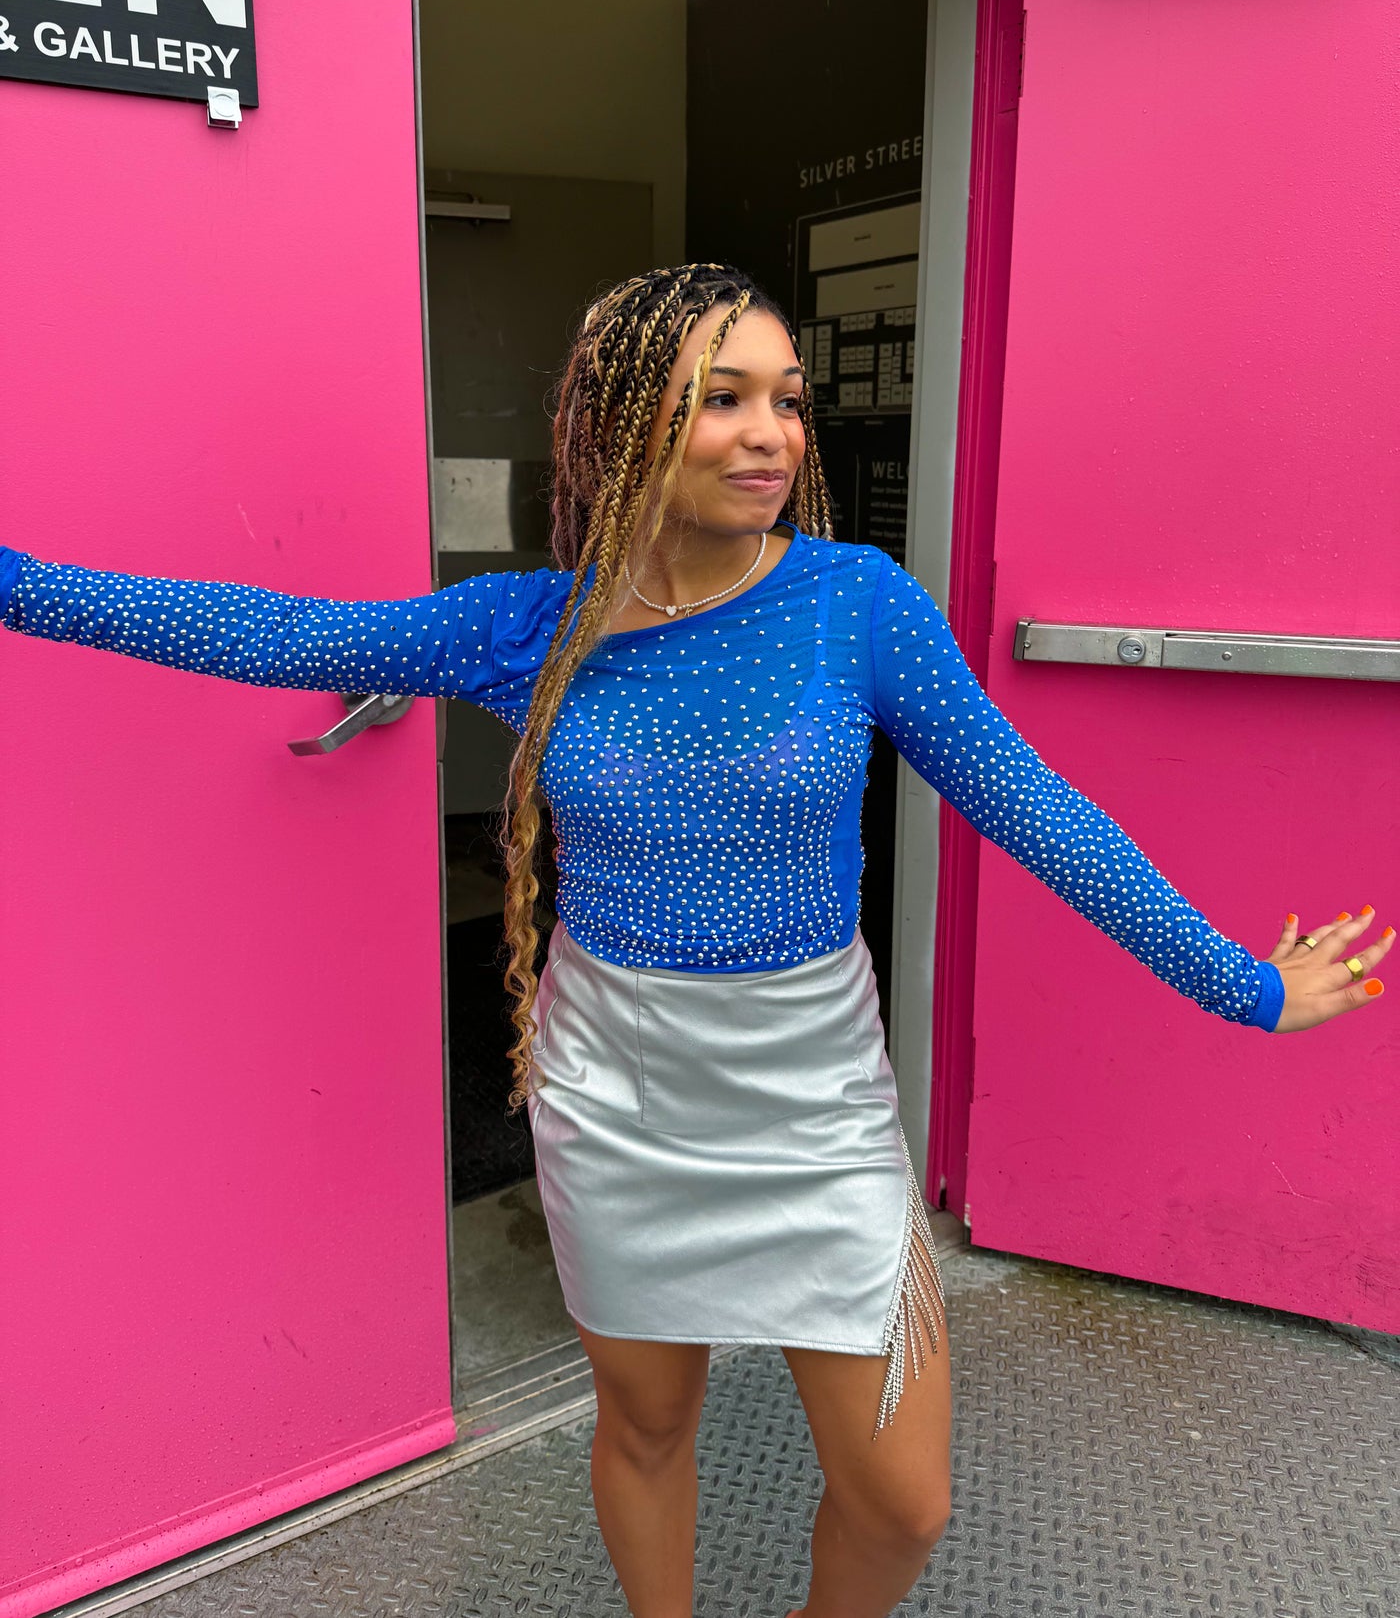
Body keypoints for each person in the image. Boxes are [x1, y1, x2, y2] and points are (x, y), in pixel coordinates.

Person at [0, 261, 1389, 1618]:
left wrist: (1241, 985)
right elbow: (268, 631)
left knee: (904, 1500)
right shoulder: (529, 627)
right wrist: (15, 584)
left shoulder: (857, 604)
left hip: (812, 1095)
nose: (770, 433)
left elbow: (1035, 809)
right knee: (649, 1425)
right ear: (623, 423)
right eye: (723, 398)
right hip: (617, 1091)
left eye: (786, 399)